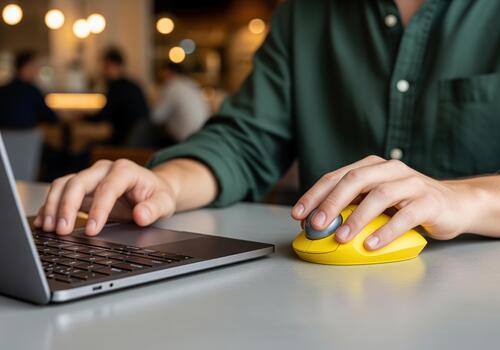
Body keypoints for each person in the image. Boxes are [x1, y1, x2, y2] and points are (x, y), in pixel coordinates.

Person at [35, 0, 500, 252]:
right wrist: (164, 185)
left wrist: (467, 198)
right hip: (324, 295)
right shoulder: (303, 14)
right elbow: (244, 140)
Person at [96, 48, 149, 145]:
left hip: (124, 143)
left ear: (115, 65)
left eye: (106, 66)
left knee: (88, 149)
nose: (103, 71)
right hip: (138, 141)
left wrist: (82, 118)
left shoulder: (117, 88)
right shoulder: (133, 85)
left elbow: (104, 116)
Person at [151, 62, 210, 143]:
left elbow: (156, 117)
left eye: (163, 74)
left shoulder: (172, 85)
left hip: (183, 139)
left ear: (169, 72)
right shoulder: (192, 83)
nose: (161, 77)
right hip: (202, 135)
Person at [0, 50, 58, 129]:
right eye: (34, 66)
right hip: (28, 139)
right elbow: (52, 118)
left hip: (3, 139)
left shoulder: (3, 90)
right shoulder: (32, 91)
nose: (36, 70)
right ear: (25, 67)